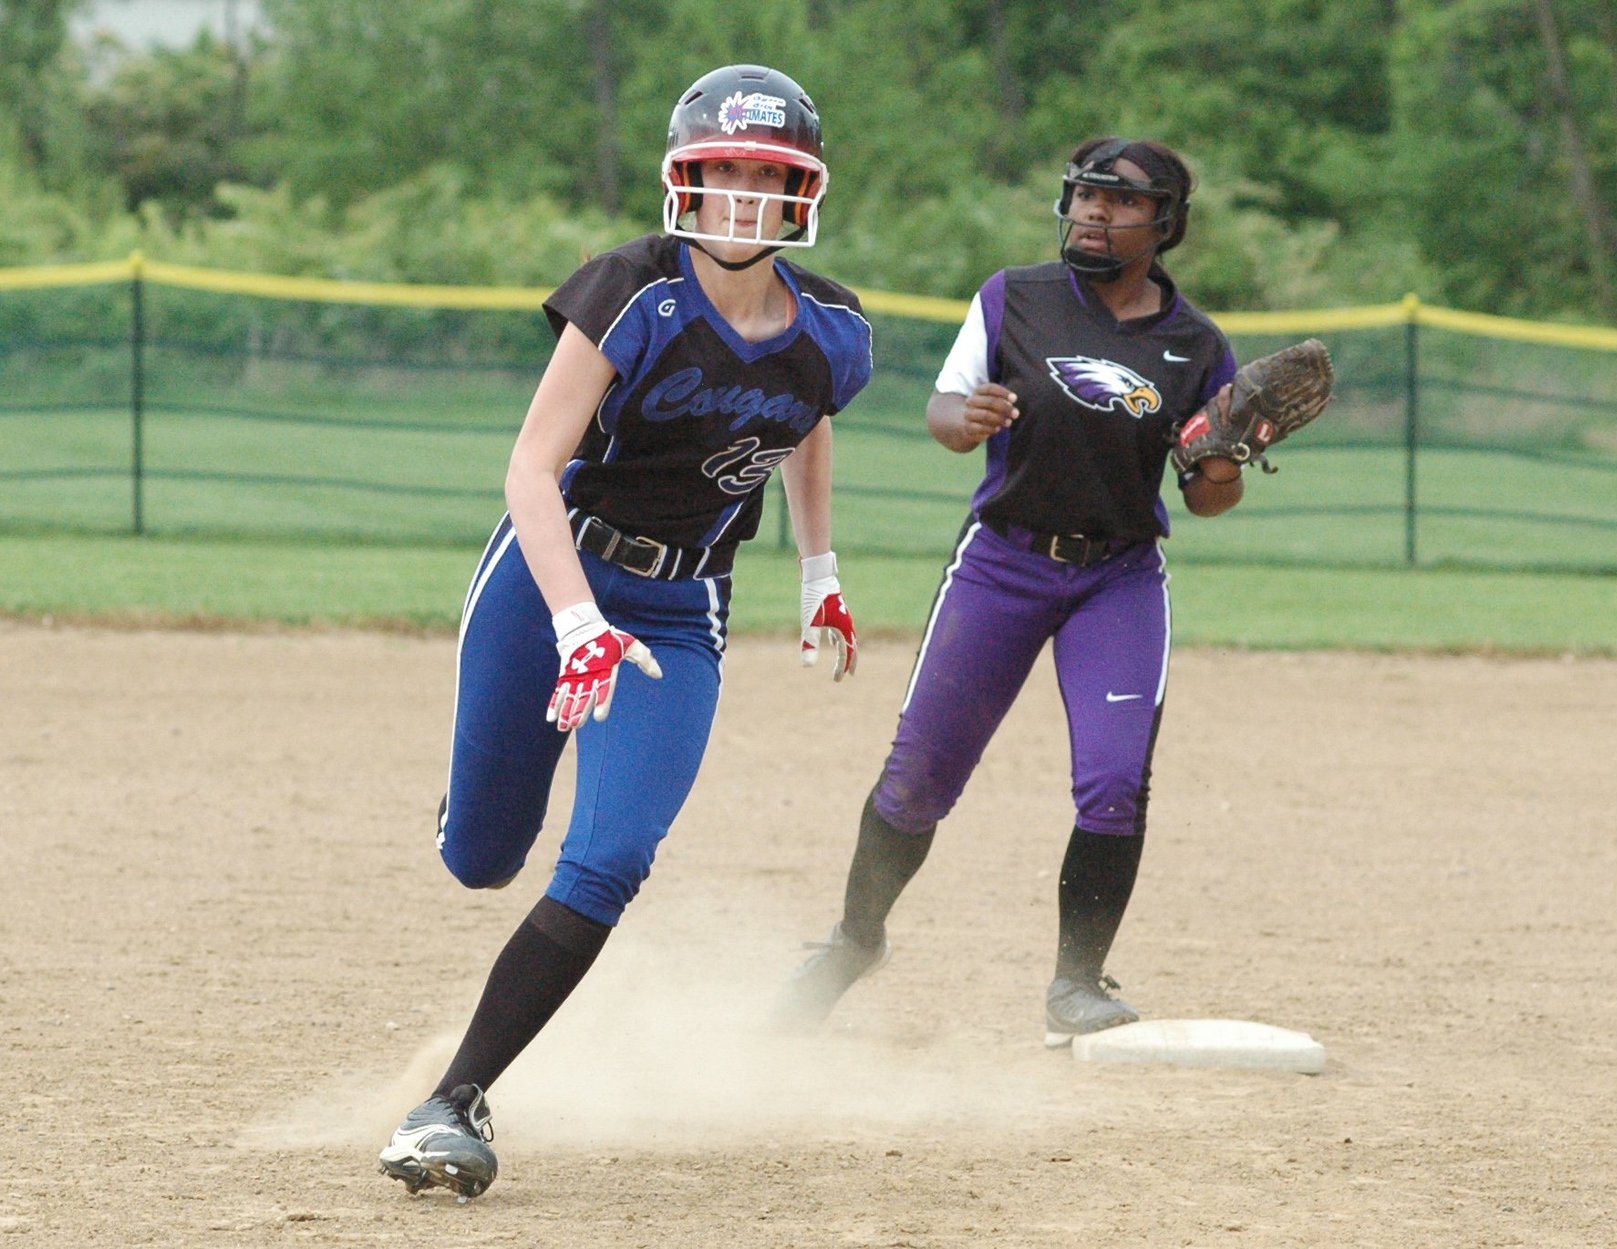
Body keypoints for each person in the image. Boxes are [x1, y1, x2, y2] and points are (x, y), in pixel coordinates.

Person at [376, 63, 871, 1202]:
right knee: (482, 859)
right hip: (550, 577)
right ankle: (471, 799)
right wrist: (574, 618)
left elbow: (801, 426)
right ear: (682, 178)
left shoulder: (835, 328)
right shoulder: (633, 292)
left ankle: (450, 1099)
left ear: (801, 189)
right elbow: (528, 471)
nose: (742, 194)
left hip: (681, 608)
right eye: (723, 170)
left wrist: (821, 569)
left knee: (608, 858)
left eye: (766, 172)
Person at [774, 137, 1244, 1047]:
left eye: (1120, 202)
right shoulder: (1013, 298)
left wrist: (1224, 457)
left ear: (1168, 224)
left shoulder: (1196, 347)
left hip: (1117, 575)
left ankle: (1075, 982)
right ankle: (853, 942)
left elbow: (1208, 494)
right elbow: (945, 412)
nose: (1095, 215)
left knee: (1114, 783)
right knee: (917, 781)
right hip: (1003, 561)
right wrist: (968, 418)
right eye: (1084, 197)